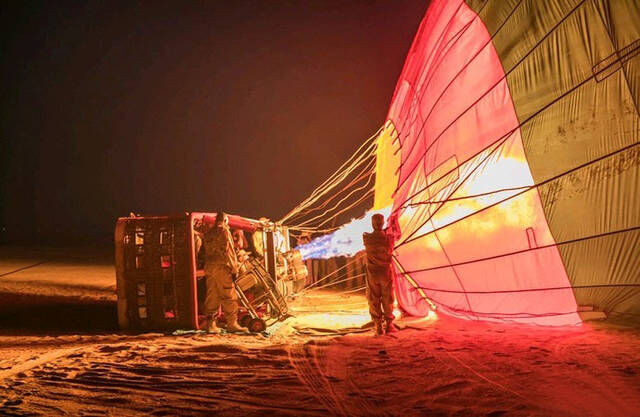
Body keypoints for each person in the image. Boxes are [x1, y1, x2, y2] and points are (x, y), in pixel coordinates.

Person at [203, 211, 247, 333]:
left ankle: (211, 325)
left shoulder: (208, 233)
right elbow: (229, 251)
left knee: (212, 295)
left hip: (210, 268)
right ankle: (232, 323)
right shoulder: (224, 231)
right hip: (222, 268)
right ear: (225, 220)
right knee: (228, 295)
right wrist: (234, 268)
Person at [362, 213, 396, 335]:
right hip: (385, 272)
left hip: (373, 273)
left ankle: (378, 325)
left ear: (372, 224)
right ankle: (389, 324)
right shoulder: (389, 239)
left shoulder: (367, 238)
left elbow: (372, 237)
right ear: (383, 223)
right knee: (388, 298)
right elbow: (393, 237)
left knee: (373, 298)